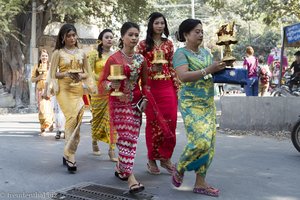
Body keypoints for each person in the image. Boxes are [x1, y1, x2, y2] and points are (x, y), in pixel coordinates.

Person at [172, 18, 226, 197]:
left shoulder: (206, 53)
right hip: (191, 103)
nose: (200, 34)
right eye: (196, 31)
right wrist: (209, 70)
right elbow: (183, 76)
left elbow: (210, 74)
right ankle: (180, 167)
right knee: (200, 142)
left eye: (201, 31)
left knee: (209, 145)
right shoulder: (181, 53)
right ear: (186, 34)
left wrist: (220, 69)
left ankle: (200, 183)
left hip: (208, 102)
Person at [99, 22, 148, 194]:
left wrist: (146, 99)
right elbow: (103, 82)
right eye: (130, 35)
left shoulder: (141, 59)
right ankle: (130, 178)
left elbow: (146, 84)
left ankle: (121, 167)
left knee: (131, 139)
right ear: (123, 37)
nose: (134, 38)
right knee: (127, 138)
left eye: (136, 35)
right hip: (118, 103)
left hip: (135, 103)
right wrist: (111, 84)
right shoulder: (114, 58)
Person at [48, 23, 95, 173]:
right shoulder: (58, 53)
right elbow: (53, 73)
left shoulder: (82, 53)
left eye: (74, 35)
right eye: (69, 35)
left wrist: (79, 75)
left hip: (77, 89)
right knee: (71, 118)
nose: (72, 38)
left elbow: (87, 72)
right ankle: (71, 155)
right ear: (63, 38)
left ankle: (66, 152)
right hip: (64, 90)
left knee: (78, 119)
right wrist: (67, 74)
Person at [136, 12, 178, 175]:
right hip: (150, 86)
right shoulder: (142, 45)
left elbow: (173, 66)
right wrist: (150, 69)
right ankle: (152, 159)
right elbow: (138, 66)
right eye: (156, 23)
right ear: (151, 25)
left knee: (171, 121)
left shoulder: (168, 44)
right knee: (153, 124)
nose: (160, 26)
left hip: (167, 85)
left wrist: (176, 87)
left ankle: (166, 158)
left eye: (162, 23)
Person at [88, 29, 117, 162]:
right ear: (101, 39)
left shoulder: (115, 55)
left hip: (112, 91)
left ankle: (111, 150)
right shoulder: (94, 54)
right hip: (98, 92)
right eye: (107, 37)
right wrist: (101, 79)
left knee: (112, 120)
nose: (109, 39)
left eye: (111, 37)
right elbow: (88, 71)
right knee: (97, 118)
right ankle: (94, 141)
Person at [31, 49, 54, 135]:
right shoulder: (37, 66)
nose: (44, 57)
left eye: (46, 56)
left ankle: (49, 123)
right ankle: (44, 126)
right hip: (40, 90)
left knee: (48, 108)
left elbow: (54, 78)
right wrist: (39, 77)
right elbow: (32, 79)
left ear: (48, 57)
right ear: (40, 57)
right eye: (43, 56)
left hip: (49, 90)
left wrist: (51, 89)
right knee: (41, 108)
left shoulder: (51, 66)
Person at [43, 70, 66, 139]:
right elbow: (48, 80)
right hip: (55, 92)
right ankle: (58, 130)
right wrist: (45, 92)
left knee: (64, 112)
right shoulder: (53, 66)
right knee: (56, 112)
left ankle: (65, 130)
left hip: (65, 92)